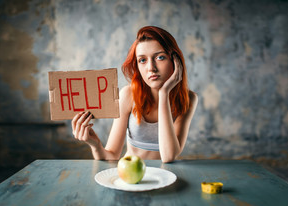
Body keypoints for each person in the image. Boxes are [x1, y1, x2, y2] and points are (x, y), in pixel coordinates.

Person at [72, 26, 198, 163]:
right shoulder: (128, 95)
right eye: (142, 60)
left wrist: (164, 94)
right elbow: (112, 155)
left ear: (175, 61)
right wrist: (95, 145)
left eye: (160, 57)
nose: (151, 68)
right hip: (129, 177)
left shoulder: (188, 99)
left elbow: (168, 156)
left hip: (165, 176)